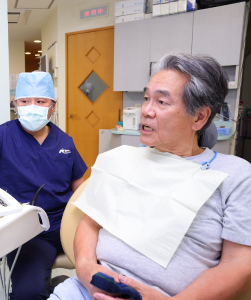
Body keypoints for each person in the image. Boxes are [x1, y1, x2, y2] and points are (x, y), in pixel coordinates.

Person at [47, 53, 251, 300]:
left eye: (162, 102)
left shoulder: (235, 175)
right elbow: (89, 224)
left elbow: (239, 263)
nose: (146, 111)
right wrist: (86, 270)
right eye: (146, 99)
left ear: (199, 117)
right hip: (87, 289)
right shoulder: (121, 159)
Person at [0, 72, 87, 300]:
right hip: (28, 231)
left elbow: (80, 189)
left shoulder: (66, 142)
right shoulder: (0, 135)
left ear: (53, 106)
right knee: (29, 293)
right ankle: (50, 287)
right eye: (25, 101)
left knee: (113, 267)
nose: (32, 107)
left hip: (66, 224)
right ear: (15, 105)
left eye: (41, 101)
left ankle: (60, 288)